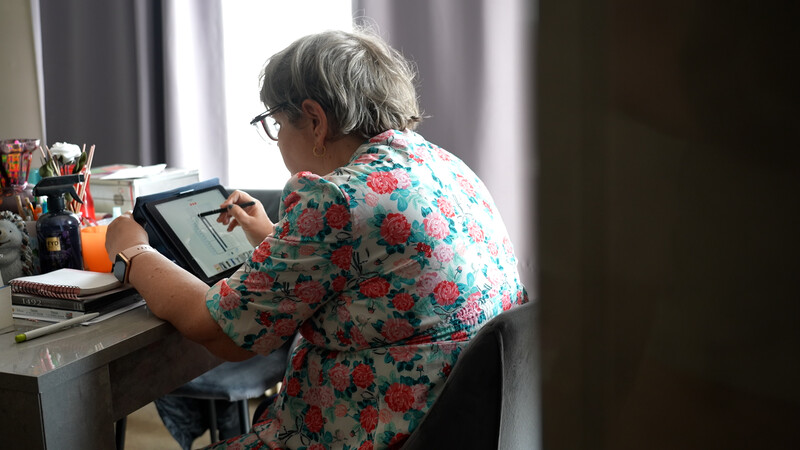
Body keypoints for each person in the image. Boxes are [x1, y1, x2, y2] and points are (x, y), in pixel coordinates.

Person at [106, 28, 529, 449]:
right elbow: (371, 279)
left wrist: (132, 250)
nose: (277, 140)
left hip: (361, 435)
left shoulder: (336, 199)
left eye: (275, 124)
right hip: (444, 425)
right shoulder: (444, 166)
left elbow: (219, 331)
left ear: (315, 120)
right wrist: (271, 235)